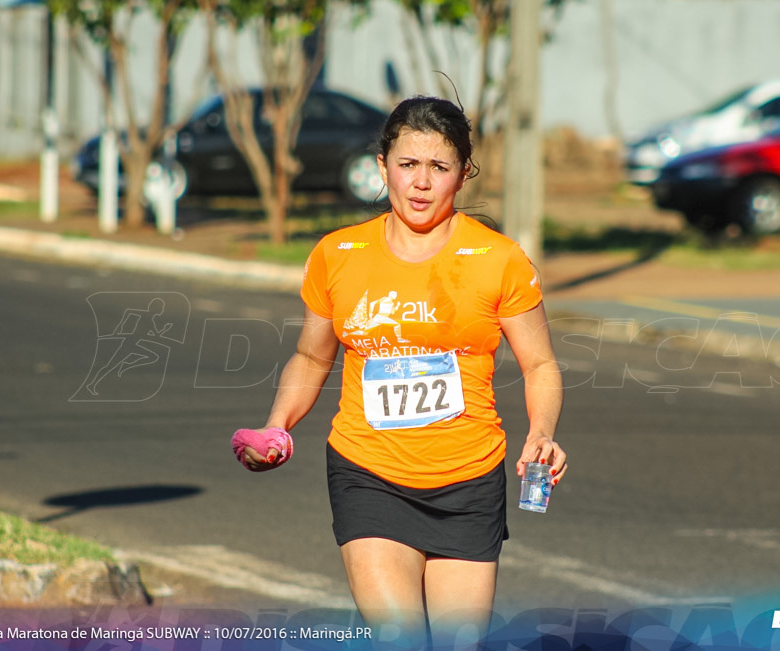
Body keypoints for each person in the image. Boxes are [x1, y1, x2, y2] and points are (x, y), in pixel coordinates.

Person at [235, 96, 567, 648]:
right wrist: (278, 426)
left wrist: (541, 433)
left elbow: (541, 364)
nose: (420, 183)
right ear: (383, 163)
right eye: (408, 164)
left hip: (468, 479)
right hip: (368, 473)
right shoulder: (338, 254)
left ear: (462, 175)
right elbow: (314, 356)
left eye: (439, 167)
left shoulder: (498, 259)